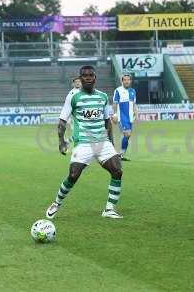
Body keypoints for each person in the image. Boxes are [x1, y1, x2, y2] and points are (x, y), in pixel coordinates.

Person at [45, 66, 124, 219]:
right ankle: (56, 203)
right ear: (80, 79)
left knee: (117, 171)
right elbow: (62, 121)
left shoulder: (102, 97)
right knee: (73, 175)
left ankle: (109, 209)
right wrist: (61, 142)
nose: (88, 78)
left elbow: (107, 122)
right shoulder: (73, 97)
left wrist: (112, 145)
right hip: (83, 143)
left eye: (90, 75)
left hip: (102, 142)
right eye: (84, 76)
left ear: (95, 78)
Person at [112, 74, 138, 161]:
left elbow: (134, 104)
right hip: (121, 116)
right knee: (127, 134)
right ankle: (119, 154)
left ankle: (121, 154)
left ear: (130, 81)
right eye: (125, 80)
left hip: (130, 117)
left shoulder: (133, 91)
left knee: (127, 136)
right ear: (122, 81)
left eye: (128, 80)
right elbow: (115, 103)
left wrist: (136, 114)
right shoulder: (118, 90)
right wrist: (114, 114)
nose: (127, 81)